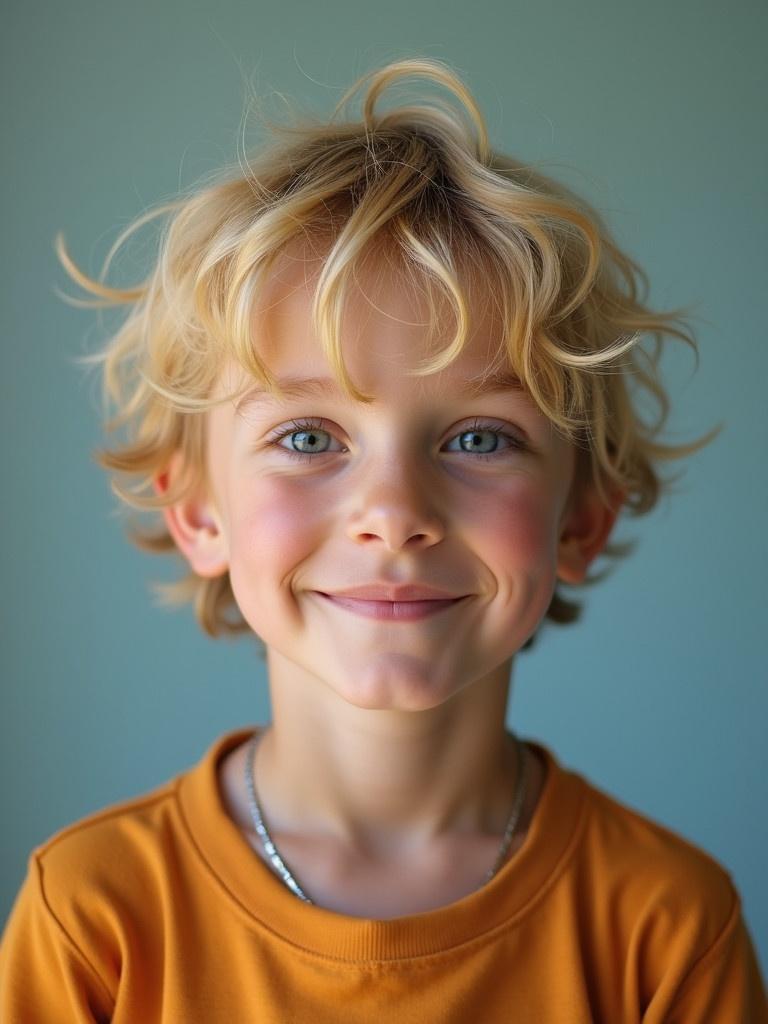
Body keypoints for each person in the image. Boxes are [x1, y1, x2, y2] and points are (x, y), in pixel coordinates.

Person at [1, 57, 765, 1022]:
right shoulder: (95, 919)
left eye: (480, 438)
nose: (394, 510)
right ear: (197, 513)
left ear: (581, 519)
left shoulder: (668, 932)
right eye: (308, 438)